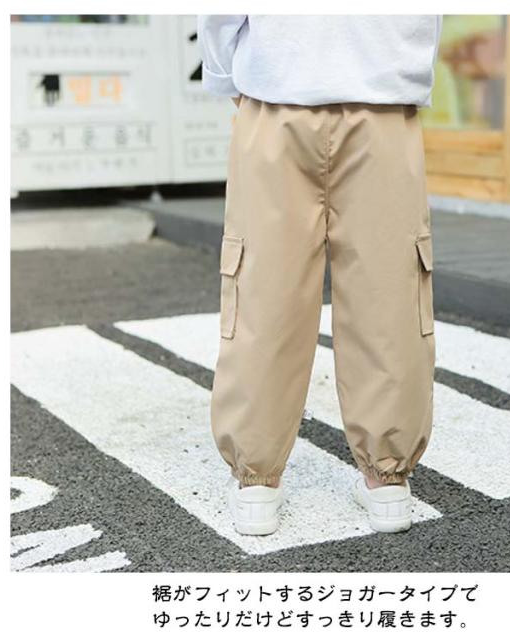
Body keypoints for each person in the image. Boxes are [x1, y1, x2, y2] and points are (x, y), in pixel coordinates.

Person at [197, 15, 442, 536]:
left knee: (264, 290)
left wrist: (225, 75)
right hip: (382, 98)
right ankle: (387, 481)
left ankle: (257, 484)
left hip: (278, 93)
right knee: (389, 294)